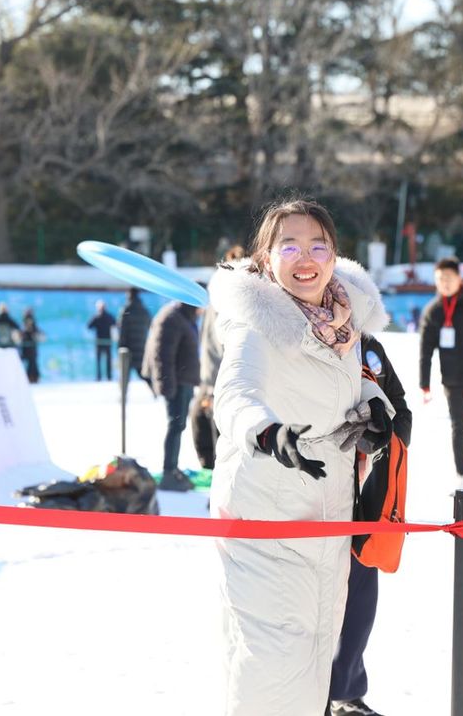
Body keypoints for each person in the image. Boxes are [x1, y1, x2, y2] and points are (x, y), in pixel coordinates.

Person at [207, 198, 391, 715]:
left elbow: (344, 385)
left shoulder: (341, 319)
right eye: (289, 246)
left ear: (334, 255)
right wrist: (267, 433)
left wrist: (373, 406)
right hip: (264, 514)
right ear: (266, 257)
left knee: (314, 662)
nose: (305, 258)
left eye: (318, 246)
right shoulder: (256, 322)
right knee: (270, 667)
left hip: (327, 515)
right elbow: (235, 392)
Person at [329, 332, 411, 716]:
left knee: (359, 599)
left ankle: (344, 691)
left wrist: (379, 440)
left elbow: (400, 407)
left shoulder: (365, 343)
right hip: (298, 496)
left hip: (361, 495)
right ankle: (309, 698)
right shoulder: (279, 332)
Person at [418, 256, 463, 485]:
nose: (445, 283)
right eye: (440, 279)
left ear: (460, 278)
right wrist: (424, 384)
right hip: (453, 379)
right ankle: (461, 476)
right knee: (458, 427)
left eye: (449, 277)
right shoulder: (434, 311)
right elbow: (425, 351)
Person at [190, 245, 246, 469]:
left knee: (217, 428)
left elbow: (207, 342)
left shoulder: (219, 298)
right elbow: (215, 344)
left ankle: (214, 467)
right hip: (221, 376)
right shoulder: (226, 299)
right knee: (219, 429)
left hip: (217, 375)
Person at [142, 299, 200, 492]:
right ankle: (169, 471)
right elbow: (162, 354)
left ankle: (173, 468)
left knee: (179, 425)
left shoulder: (184, 316)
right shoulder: (172, 317)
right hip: (177, 383)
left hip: (185, 381)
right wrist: (166, 386)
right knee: (175, 426)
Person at [118, 288, 152, 385]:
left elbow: (122, 331)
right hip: (142, 346)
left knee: (124, 376)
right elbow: (150, 326)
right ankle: (156, 389)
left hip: (128, 348)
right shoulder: (144, 310)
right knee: (143, 373)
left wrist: (120, 346)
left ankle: (123, 394)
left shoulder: (126, 310)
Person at [87, 300, 117, 381]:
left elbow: (89, 326)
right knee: (108, 360)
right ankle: (109, 376)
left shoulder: (96, 317)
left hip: (99, 341)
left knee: (99, 360)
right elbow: (116, 325)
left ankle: (99, 377)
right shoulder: (109, 316)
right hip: (107, 341)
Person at [19, 307, 44, 384]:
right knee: (32, 363)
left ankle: (31, 377)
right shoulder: (29, 322)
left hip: (28, 346)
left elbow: (27, 332)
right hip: (30, 346)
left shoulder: (26, 322)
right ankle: (33, 377)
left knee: (31, 363)